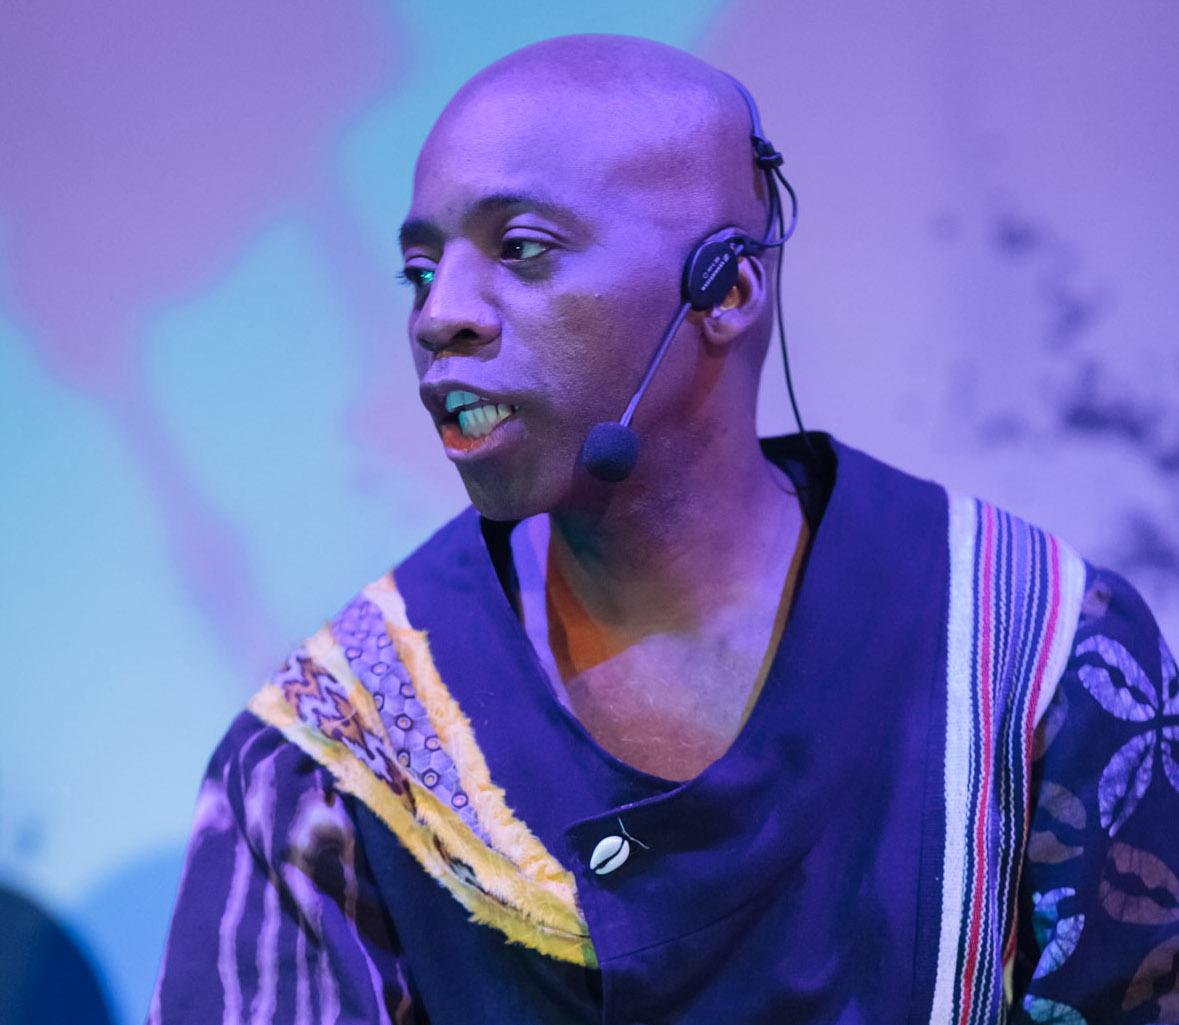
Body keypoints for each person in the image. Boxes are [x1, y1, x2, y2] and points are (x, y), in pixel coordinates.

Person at [148, 34, 1179, 1025]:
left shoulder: (1035, 654)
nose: (439, 315)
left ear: (726, 290)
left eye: (522, 249)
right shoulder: (337, 748)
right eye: (422, 269)